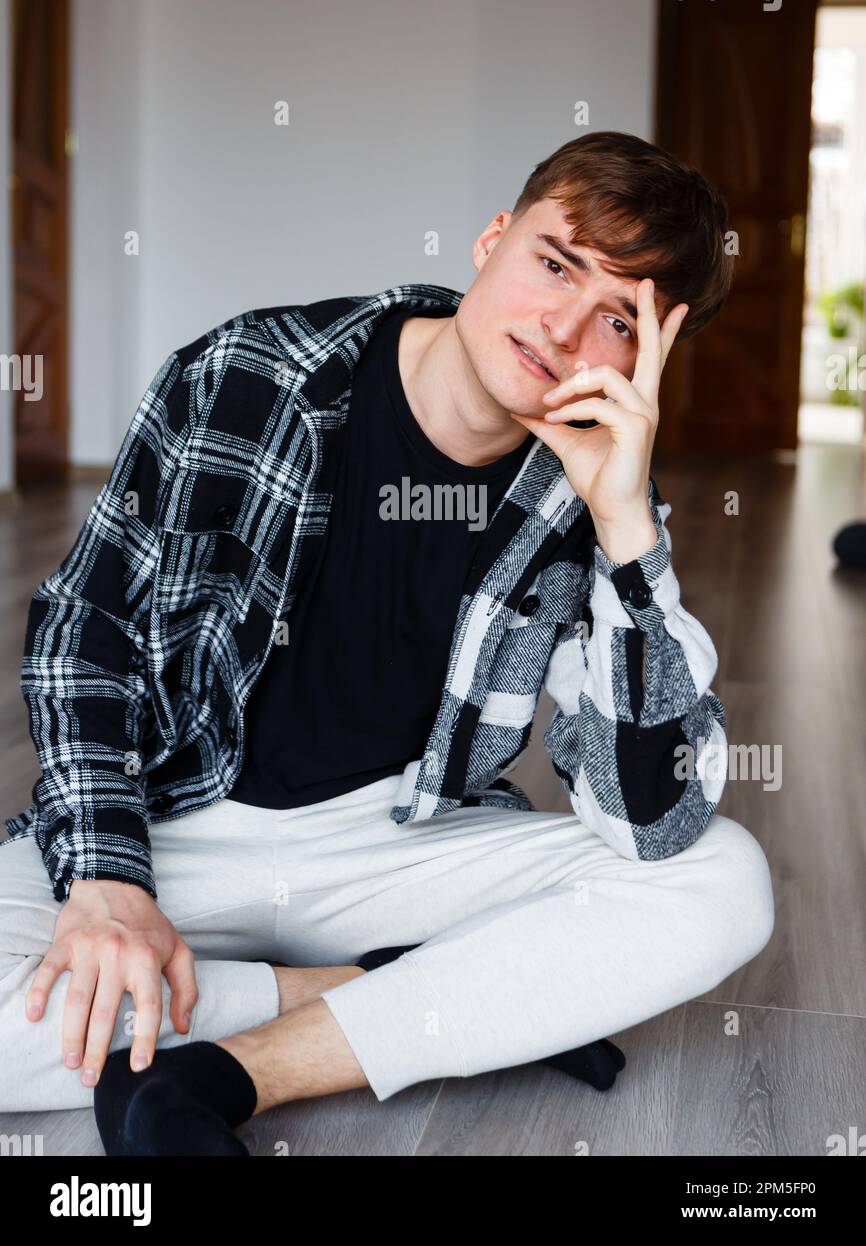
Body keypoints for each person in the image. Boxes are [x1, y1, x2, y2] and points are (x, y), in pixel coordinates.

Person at [0, 132, 775, 1155]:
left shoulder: (590, 489)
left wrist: (628, 527)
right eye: (554, 264)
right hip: (179, 822)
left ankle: (229, 1074)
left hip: (392, 845)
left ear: (644, 360)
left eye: (618, 320)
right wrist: (109, 885)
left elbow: (653, 824)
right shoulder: (251, 372)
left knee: (721, 882)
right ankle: (403, 998)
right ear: (491, 239)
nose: (563, 325)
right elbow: (81, 634)